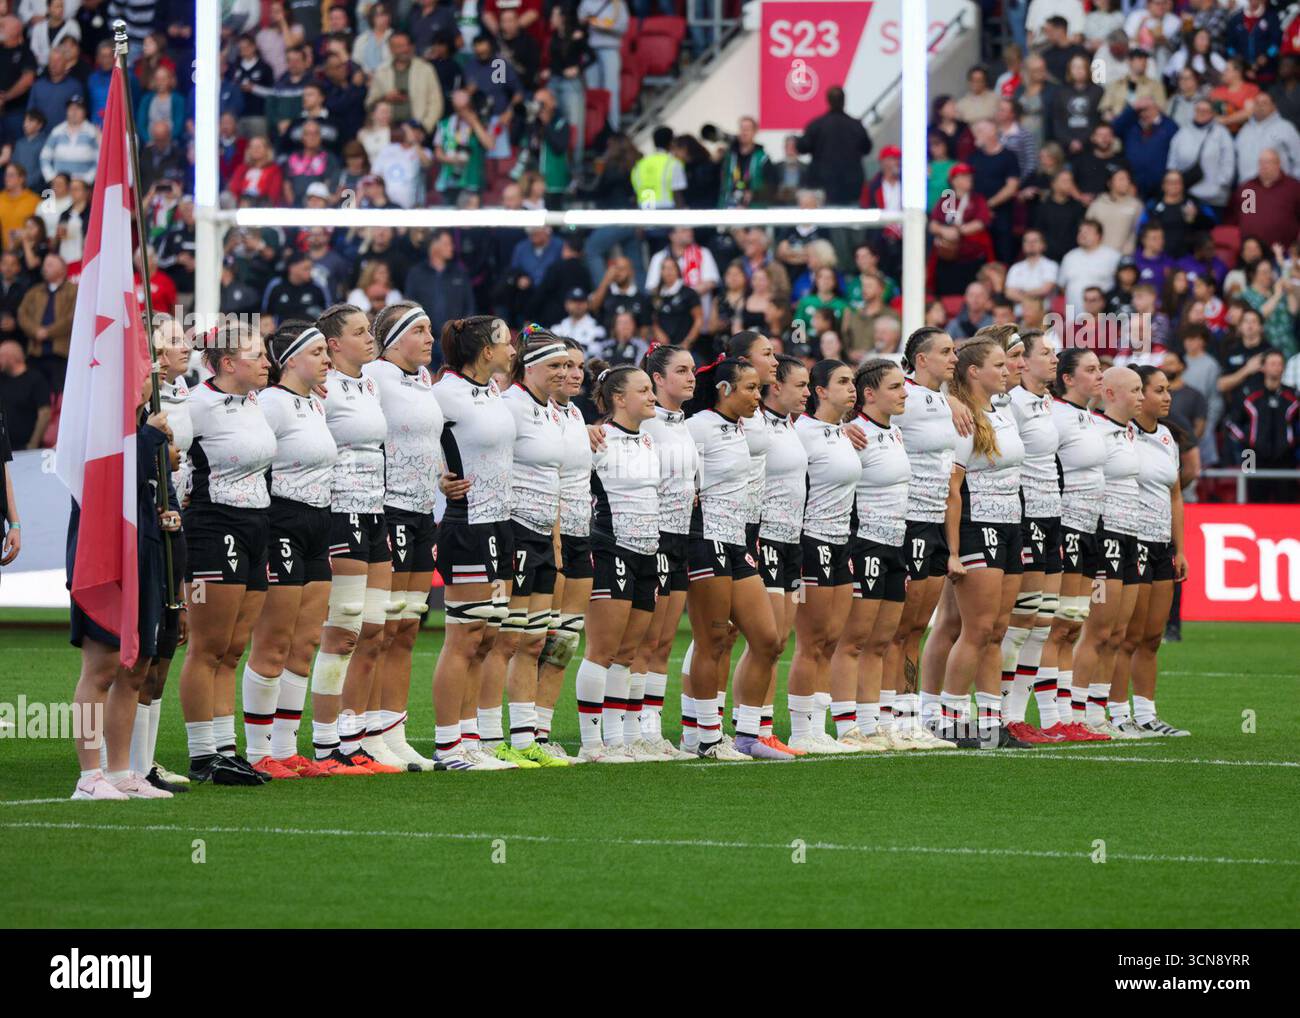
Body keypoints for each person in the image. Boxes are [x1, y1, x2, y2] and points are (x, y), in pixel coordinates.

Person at [243, 320, 351, 779]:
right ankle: (256, 749)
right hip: (282, 521)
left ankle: (287, 749)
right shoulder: (270, 403)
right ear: (291, 360)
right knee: (274, 640)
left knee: (305, 640)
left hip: (318, 522)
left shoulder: (315, 403)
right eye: (318, 354)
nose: (328, 361)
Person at [68, 368, 182, 800]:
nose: (145, 375)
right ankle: (88, 775)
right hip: (104, 558)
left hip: (145, 551)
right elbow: (107, 486)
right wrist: (151, 439)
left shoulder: (140, 428)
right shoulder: (99, 428)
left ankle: (119, 771)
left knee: (135, 669)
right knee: (101, 668)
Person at [178, 323, 278, 785]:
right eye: (256, 355)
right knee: (208, 647)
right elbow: (174, 469)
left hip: (257, 524)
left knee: (234, 649)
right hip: (214, 526)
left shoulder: (255, 401)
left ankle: (225, 749)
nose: (265, 362)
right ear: (226, 364)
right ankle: (202, 756)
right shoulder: (196, 405)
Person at [683, 355, 790, 759]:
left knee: (768, 639)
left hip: (739, 544)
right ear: (724, 389)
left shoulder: (743, 429)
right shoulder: (698, 429)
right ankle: (706, 737)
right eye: (750, 388)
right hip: (705, 539)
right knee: (711, 639)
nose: (758, 397)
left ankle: (747, 736)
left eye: (759, 389)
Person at [313, 303, 403, 775]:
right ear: (333, 344)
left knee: (375, 630)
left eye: (370, 330)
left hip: (375, 512)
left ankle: (357, 736)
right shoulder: (321, 389)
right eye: (360, 332)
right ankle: (326, 743)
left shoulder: (369, 382)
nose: (371, 338)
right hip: (341, 512)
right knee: (342, 631)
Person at [477, 329, 571, 767]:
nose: (562, 373)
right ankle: (488, 735)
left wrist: (554, 540)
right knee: (504, 639)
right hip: (512, 530)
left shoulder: (550, 411)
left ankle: (523, 738)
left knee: (535, 641)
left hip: (540, 535)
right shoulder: (508, 405)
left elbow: (551, 479)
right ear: (529, 367)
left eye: (565, 366)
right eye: (553, 366)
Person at [429, 316, 518, 770]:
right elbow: (404, 441)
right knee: (463, 638)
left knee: (486, 637)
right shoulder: (444, 392)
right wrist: (436, 481)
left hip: (500, 524)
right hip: (467, 525)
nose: (512, 349)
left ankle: (470, 741)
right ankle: (449, 747)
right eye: (506, 342)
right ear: (486, 351)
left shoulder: (494, 391)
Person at [364, 302, 446, 771]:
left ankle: (393, 733)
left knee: (406, 630)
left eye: (430, 328)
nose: (429, 337)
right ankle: (366, 732)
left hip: (420, 512)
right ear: (393, 338)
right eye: (419, 329)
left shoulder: (422, 381)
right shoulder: (374, 376)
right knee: (380, 629)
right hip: (387, 508)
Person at [574, 363, 667, 761]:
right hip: (612, 548)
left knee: (630, 652)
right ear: (618, 398)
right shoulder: (597, 439)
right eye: (644, 390)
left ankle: (619, 738)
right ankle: (592, 744)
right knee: (602, 649)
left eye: (651, 390)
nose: (652, 396)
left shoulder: (648, 441)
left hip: (648, 551)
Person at [829, 357, 917, 751]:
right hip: (864, 545)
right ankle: (848, 726)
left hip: (895, 544)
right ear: (869, 394)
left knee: (883, 640)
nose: (904, 393)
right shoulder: (853, 433)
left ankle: (875, 724)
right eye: (896, 386)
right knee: (854, 641)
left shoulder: (894, 432)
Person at [888, 327, 968, 746]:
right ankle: (884, 718)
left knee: (916, 626)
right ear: (920, 360)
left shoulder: (939, 400)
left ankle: (907, 719)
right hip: (907, 522)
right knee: (898, 628)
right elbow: (864, 412)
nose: (954, 357)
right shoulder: (905, 395)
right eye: (945, 351)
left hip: (935, 521)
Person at [786, 359, 862, 754]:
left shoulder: (842, 432)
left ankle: (819, 728)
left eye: (853, 381)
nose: (853, 388)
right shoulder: (801, 433)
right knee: (811, 641)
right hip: (811, 541)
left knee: (832, 640)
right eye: (843, 382)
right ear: (819, 391)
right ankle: (802, 731)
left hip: (841, 541)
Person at [1114, 365, 1191, 737]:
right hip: (1133, 541)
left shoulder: (1166, 438)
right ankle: (1115, 712)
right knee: (1126, 635)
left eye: (1168, 390)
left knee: (1152, 636)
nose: (1167, 397)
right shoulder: (1120, 434)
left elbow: (1175, 496)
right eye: (1159, 390)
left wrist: (1180, 548)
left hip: (1162, 545)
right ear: (1138, 395)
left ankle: (1146, 713)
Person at [1071, 365, 1147, 741]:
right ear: (1112, 394)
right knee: (1097, 630)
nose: (1142, 397)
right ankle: (1077, 710)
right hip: (1105, 536)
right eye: (1135, 390)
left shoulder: (1128, 431)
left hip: (1130, 535)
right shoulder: (1095, 429)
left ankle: (1100, 712)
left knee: (1118, 631)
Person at [634, 344, 701, 759]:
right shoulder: (646, 424)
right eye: (681, 370)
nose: (691, 376)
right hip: (651, 537)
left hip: (680, 538)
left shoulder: (683, 424)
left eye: (692, 369)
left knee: (662, 643)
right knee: (644, 639)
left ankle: (652, 729)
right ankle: (632, 729)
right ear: (657, 379)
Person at [1002, 329, 1065, 743]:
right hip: (1025, 516)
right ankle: (1005, 714)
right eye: (1045, 352)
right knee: (1020, 620)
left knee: (1043, 622)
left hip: (1051, 516)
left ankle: (1022, 715)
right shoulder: (1014, 404)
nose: (1053, 359)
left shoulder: (1045, 403)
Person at [1043, 349, 1109, 740]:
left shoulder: (1087, 416)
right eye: (1090, 369)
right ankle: (1051, 716)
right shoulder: (1054, 415)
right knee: (1057, 627)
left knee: (1073, 624)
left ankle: (1069, 714)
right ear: (1067, 379)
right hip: (1065, 525)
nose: (1098, 375)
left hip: (1089, 527)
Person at [743, 354, 807, 756]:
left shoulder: (793, 426)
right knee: (763, 641)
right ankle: (749, 730)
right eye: (800, 385)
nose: (806, 392)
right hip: (764, 538)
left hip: (791, 542)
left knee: (779, 640)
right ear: (776, 387)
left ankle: (763, 729)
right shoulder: (754, 424)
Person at [535, 338, 594, 762]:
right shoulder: (537, 415)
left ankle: (540, 732)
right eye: (565, 366)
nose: (574, 374)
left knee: (564, 640)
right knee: (532, 638)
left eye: (578, 367)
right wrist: (554, 540)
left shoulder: (576, 414)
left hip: (580, 535)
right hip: (547, 535)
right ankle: (497, 733)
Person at [795, 86, 872, 207]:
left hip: (823, 186)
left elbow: (801, 147)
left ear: (828, 101)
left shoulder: (817, 125)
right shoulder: (856, 125)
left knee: (824, 223)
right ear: (844, 101)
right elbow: (867, 148)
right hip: (850, 186)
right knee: (849, 222)